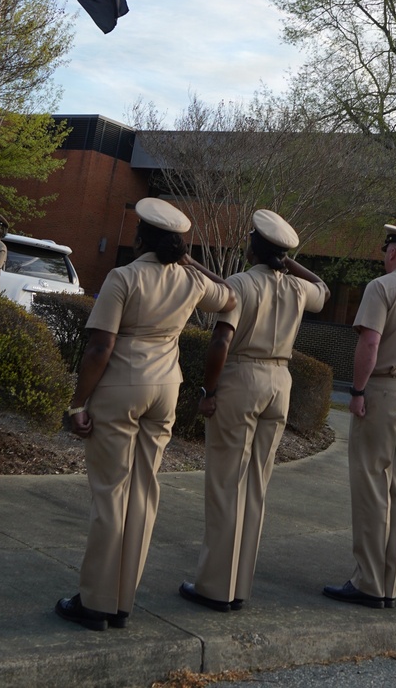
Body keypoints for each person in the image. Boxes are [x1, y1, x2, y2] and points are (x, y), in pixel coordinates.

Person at [54, 197, 235, 632]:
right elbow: (231, 295)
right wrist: (194, 263)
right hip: (166, 390)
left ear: (141, 238)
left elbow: (100, 347)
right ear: (179, 245)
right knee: (143, 493)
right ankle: (122, 601)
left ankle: (96, 601)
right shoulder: (192, 281)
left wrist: (78, 403)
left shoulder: (124, 277)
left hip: (122, 387)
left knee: (110, 494)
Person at [180, 209, 330, 612]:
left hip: (243, 378)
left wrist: (207, 391)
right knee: (255, 487)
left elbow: (220, 342)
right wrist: (286, 259)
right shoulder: (298, 289)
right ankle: (239, 586)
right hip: (280, 382)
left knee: (225, 485)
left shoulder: (242, 283)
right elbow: (323, 289)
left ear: (253, 247)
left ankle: (215, 587)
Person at [323, 223, 396, 609]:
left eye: (385, 248)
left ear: (393, 252)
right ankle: (390, 581)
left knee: (371, 484)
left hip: (384, 389)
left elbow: (370, 341)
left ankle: (368, 581)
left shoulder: (383, 286)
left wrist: (357, 390)